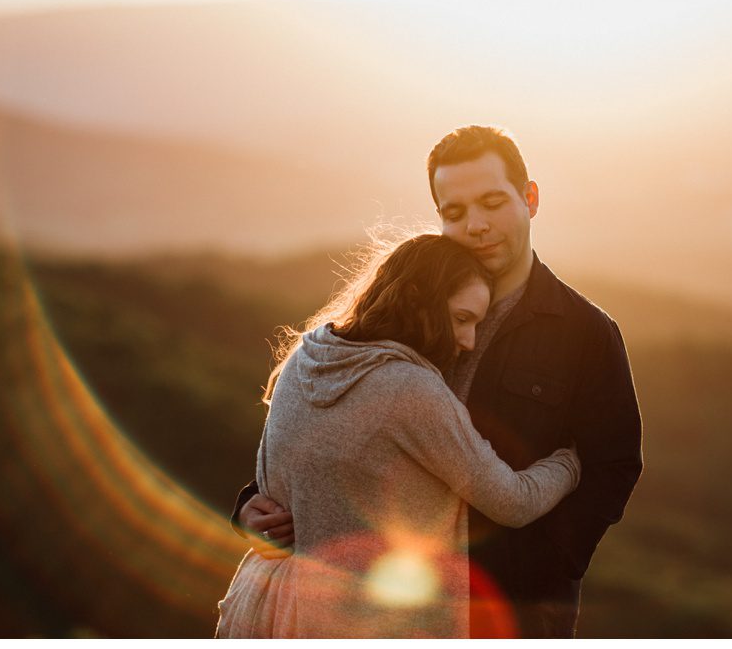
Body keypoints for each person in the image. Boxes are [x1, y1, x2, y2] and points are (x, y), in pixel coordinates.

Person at [233, 125, 643, 637]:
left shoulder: (586, 332)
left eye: (493, 203)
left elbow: (615, 463)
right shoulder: (406, 320)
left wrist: (546, 562)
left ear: (530, 198)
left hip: (514, 606)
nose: (476, 225)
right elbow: (330, 427)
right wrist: (255, 505)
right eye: (455, 212)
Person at [215, 233, 582, 638]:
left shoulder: (306, 356)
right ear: (415, 298)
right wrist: (572, 461)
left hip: (264, 607)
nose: (468, 341)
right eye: (461, 318)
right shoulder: (409, 388)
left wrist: (246, 508)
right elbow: (511, 501)